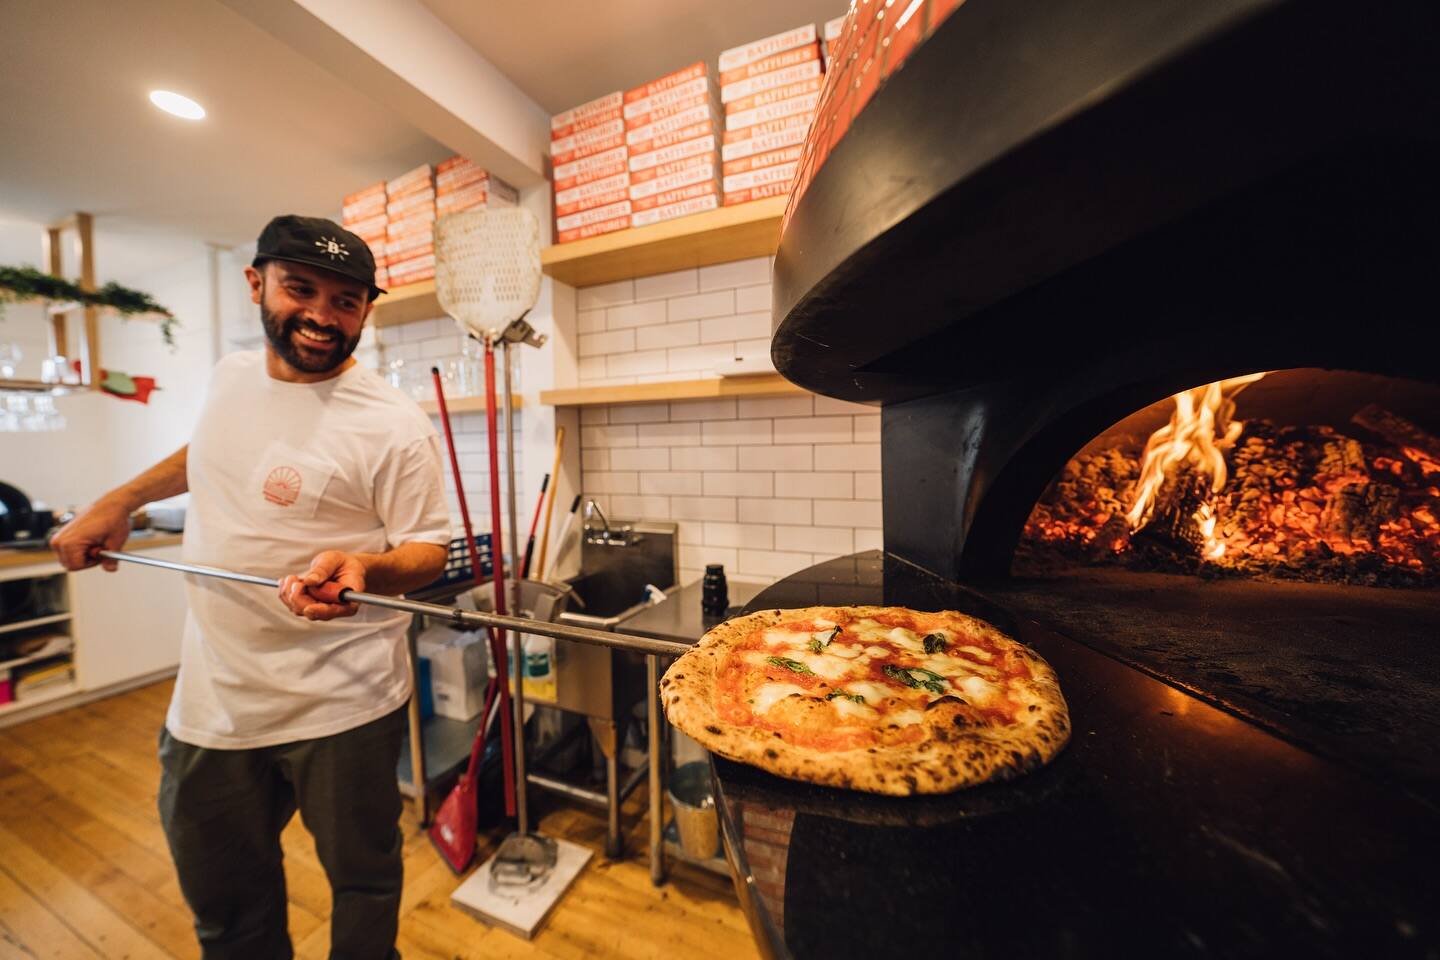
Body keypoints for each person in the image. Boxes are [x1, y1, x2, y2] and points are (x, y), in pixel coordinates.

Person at [51, 215, 451, 960]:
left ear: (367, 311)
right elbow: (205, 452)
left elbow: (429, 551)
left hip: (344, 702)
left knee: (364, 889)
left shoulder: (394, 424)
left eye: (345, 301)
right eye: (301, 290)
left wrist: (367, 567)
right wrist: (122, 499)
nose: (322, 316)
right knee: (227, 908)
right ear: (256, 284)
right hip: (215, 696)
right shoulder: (230, 377)